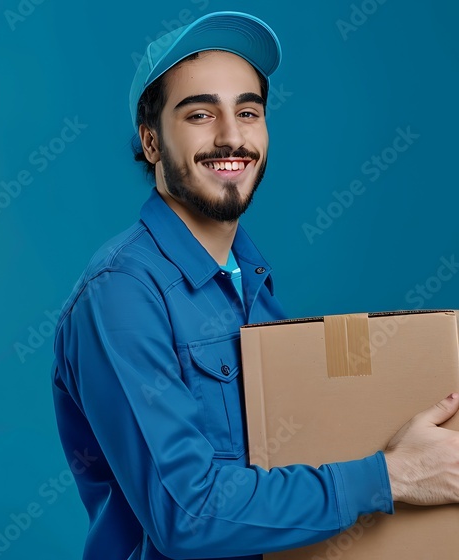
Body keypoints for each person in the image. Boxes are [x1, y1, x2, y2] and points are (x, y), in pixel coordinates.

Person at [49, 11, 459, 560]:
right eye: (200, 114)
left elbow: (283, 459)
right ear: (150, 142)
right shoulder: (122, 293)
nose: (231, 137)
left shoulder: (249, 278)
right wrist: (391, 477)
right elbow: (186, 515)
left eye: (248, 111)